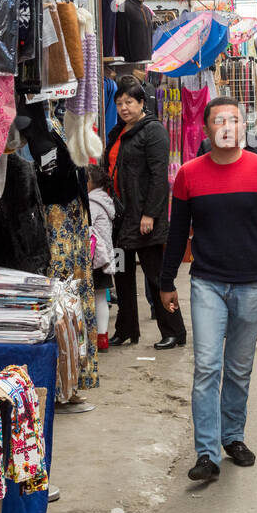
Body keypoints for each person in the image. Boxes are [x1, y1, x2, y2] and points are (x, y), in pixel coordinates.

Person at [159, 97, 257, 482]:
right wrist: (166, 281)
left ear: (244, 128)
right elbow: (177, 234)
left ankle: (233, 436)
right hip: (206, 283)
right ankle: (207, 453)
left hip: (253, 285)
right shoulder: (189, 175)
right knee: (207, 366)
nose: (227, 127)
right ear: (205, 130)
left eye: (234, 120)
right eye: (218, 121)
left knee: (238, 369)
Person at [104, 78, 188, 350]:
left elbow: (158, 178)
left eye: (129, 102)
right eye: (119, 103)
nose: (124, 108)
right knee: (122, 273)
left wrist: (150, 214)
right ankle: (126, 329)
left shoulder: (153, 131)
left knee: (156, 277)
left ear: (142, 103)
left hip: (144, 219)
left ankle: (174, 330)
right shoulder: (118, 132)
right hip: (119, 217)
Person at [86, 165, 117, 354]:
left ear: (89, 182)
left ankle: (92, 337)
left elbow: (86, 225)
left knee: (91, 298)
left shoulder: (91, 202)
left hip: (93, 257)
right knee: (100, 298)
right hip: (104, 256)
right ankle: (103, 338)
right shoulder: (105, 201)